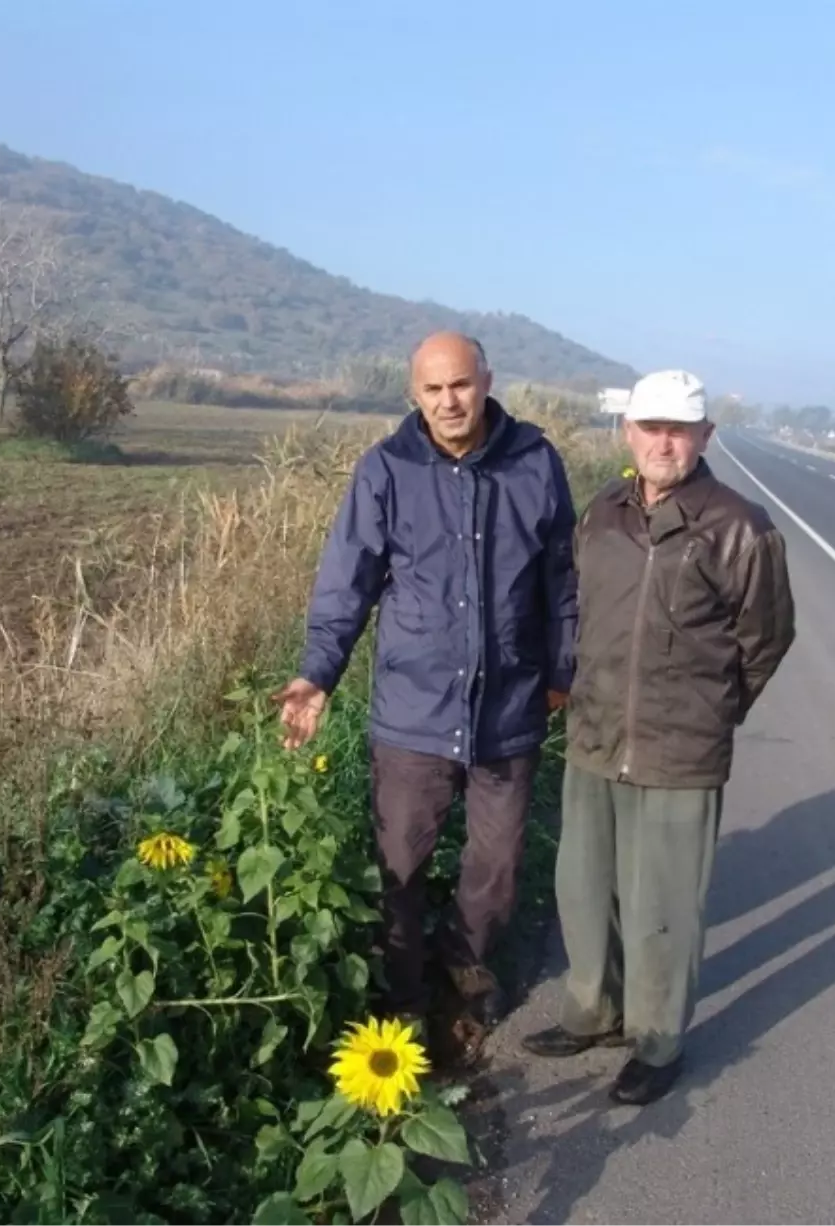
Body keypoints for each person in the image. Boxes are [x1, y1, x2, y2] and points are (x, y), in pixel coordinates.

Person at [273, 331, 578, 1045]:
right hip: (414, 712)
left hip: (508, 707)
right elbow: (346, 583)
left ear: (487, 381)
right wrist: (318, 672)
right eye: (434, 389)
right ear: (414, 395)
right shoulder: (386, 470)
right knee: (400, 868)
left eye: (462, 385)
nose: (450, 401)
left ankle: (463, 969)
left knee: (498, 866)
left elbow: (562, 579)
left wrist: (562, 670)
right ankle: (404, 997)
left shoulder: (534, 462)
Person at [522, 369, 796, 1105]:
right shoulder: (602, 514)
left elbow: (765, 638)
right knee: (584, 889)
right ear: (628, 432)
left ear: (705, 437)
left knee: (662, 908)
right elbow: (577, 610)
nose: (663, 441)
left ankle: (656, 1040)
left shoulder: (741, 526)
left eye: (680, 428)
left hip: (682, 748)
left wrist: (711, 709)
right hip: (596, 732)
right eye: (651, 426)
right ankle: (594, 1011)